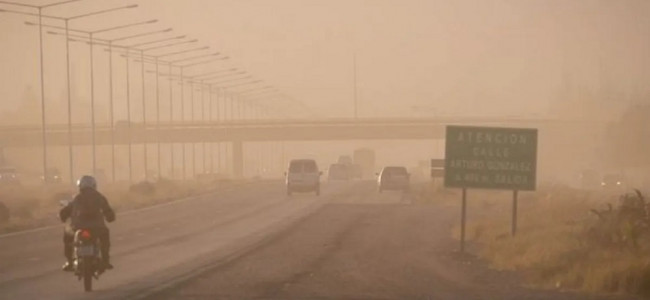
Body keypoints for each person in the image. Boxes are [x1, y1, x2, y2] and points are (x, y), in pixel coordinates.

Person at [60, 175, 115, 271]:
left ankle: (69, 261)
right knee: (105, 238)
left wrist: (63, 217)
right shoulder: (99, 197)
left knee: (68, 237)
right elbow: (108, 212)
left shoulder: (77, 198)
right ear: (94, 185)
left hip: (78, 227)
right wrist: (110, 217)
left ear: (80, 186)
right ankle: (105, 260)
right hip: (97, 228)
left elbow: (66, 211)